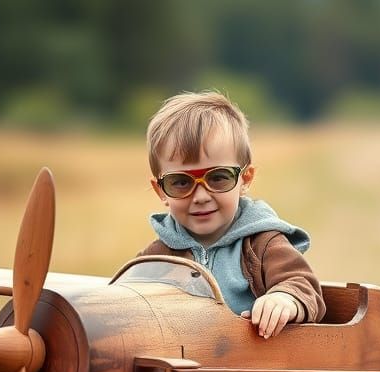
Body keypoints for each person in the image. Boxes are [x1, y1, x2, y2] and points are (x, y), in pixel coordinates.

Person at [138, 91, 325, 338]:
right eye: (181, 182)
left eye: (218, 177)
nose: (200, 196)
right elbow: (125, 302)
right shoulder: (156, 258)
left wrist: (284, 299)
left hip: (251, 359)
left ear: (245, 179)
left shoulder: (262, 243)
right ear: (161, 191)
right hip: (181, 360)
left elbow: (303, 285)